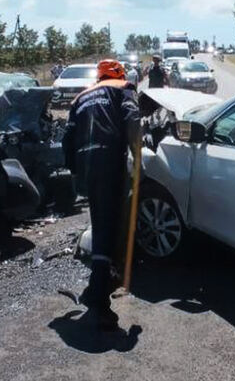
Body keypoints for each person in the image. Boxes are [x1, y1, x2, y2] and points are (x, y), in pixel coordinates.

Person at [62, 59, 140, 331]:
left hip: (87, 166)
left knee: (102, 222)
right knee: (110, 227)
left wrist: (75, 172)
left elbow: (67, 138)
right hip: (109, 161)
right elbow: (132, 119)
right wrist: (138, 155)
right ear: (119, 73)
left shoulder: (81, 97)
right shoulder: (123, 87)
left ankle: (103, 279)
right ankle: (99, 299)